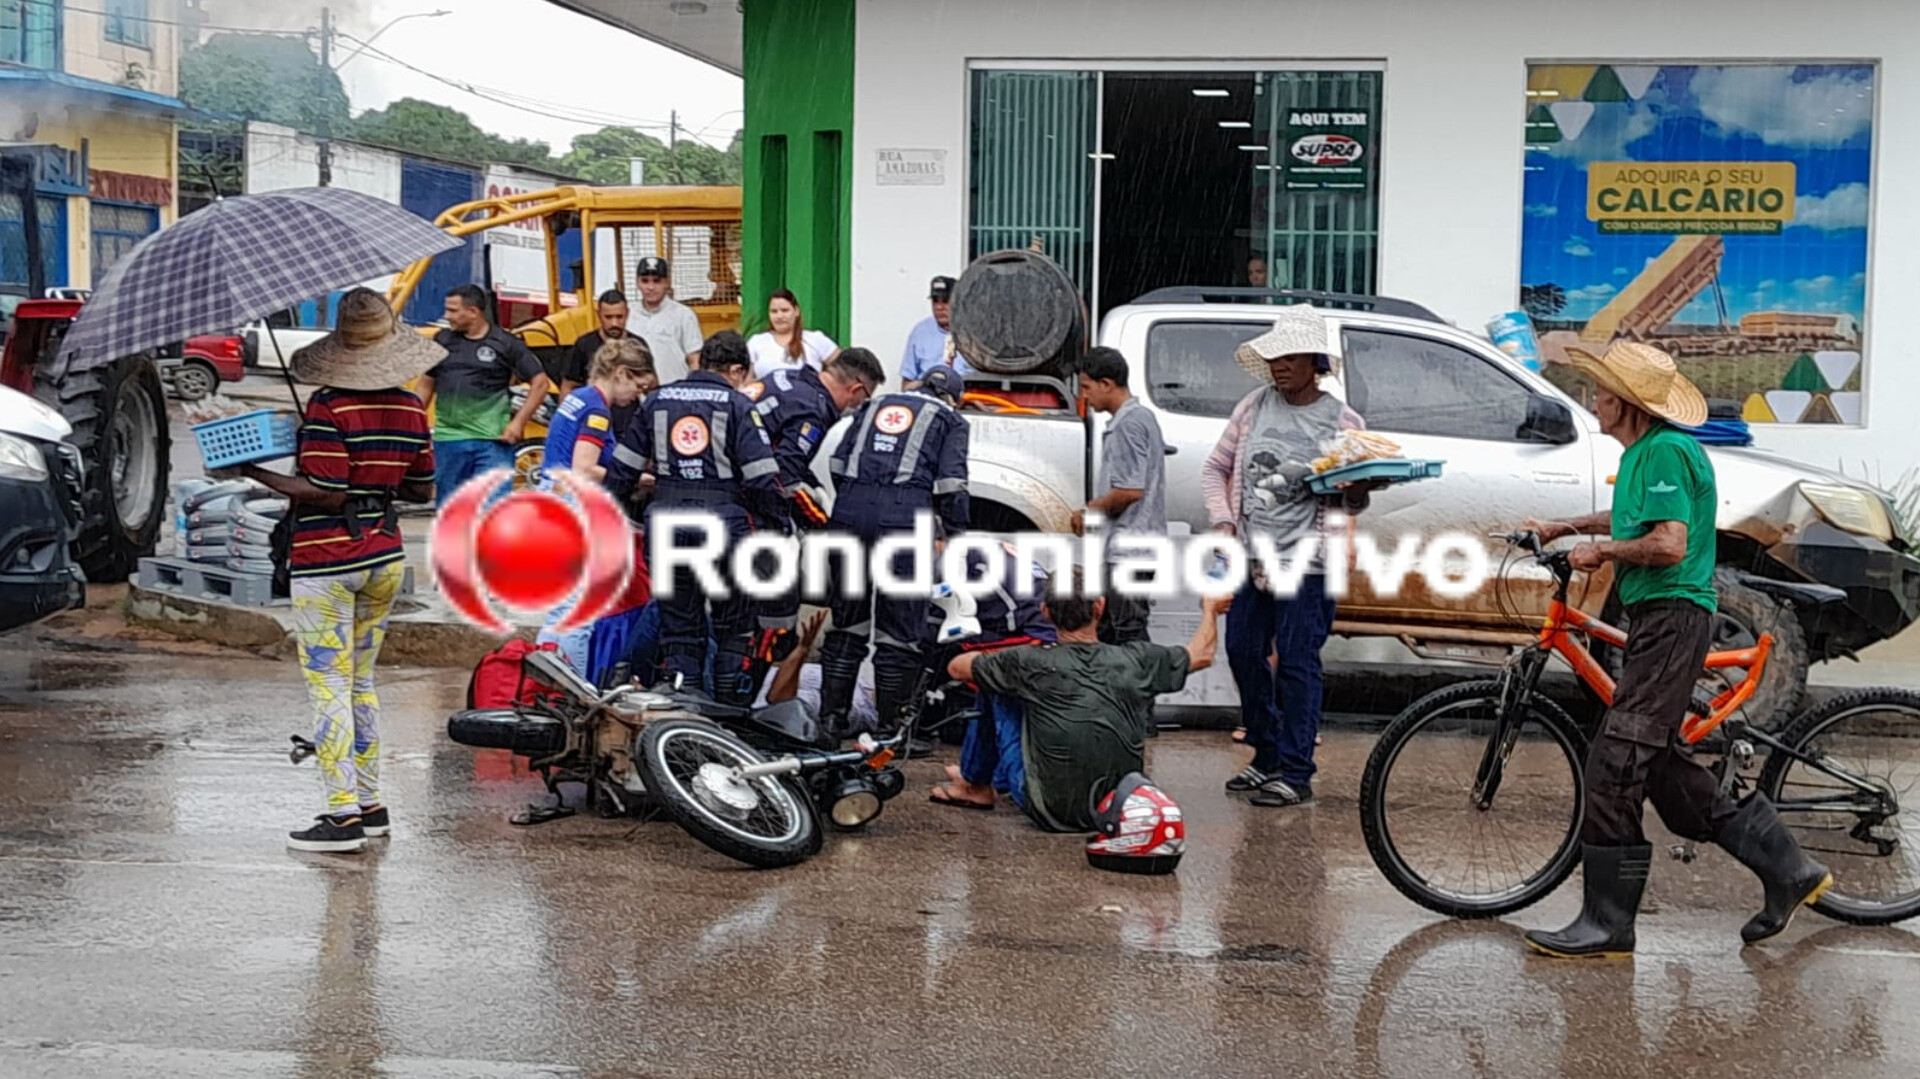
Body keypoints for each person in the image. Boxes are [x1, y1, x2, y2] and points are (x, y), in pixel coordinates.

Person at [1520, 342, 1831, 958]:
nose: (1595, 401)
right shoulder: (1641, 454)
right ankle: (1790, 871)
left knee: (1615, 762)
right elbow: (1635, 517)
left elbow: (1666, 543)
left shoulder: (1666, 450)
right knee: (1667, 775)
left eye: (1604, 393)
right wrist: (1567, 527)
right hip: (1657, 618)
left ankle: (1609, 924)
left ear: (1630, 404)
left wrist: (1601, 553)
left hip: (1674, 617)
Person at [214, 289, 440, 853]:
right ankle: (371, 804)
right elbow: (421, 487)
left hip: (327, 563)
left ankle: (340, 819)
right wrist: (378, 479)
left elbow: (323, 490)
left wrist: (254, 472)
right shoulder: (412, 407)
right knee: (361, 683)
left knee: (328, 687)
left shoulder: (329, 408)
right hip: (384, 556)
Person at [1202, 305, 1386, 809]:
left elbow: (1353, 501)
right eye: (1274, 357)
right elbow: (1215, 468)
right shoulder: (1253, 407)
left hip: (1311, 560)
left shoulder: (1343, 420)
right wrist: (1224, 523)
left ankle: (1296, 770)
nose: (1279, 366)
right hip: (1254, 555)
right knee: (1242, 648)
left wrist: (1358, 487)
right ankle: (1266, 752)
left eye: (1289, 357)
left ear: (1314, 362)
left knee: (1298, 661)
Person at [939, 572, 1230, 830]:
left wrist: (1013, 660)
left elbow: (957, 667)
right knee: (1002, 677)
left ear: (1045, 613)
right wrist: (1210, 610)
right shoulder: (1136, 660)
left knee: (994, 682)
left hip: (1048, 808)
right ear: (1099, 607)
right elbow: (1202, 654)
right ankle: (986, 778)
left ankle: (975, 784)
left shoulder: (1029, 662)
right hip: (1119, 806)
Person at [604, 330, 787, 705]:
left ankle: (681, 707)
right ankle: (728, 716)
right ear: (736, 370)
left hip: (667, 526)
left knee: (680, 629)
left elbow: (622, 471)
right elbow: (763, 478)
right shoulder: (737, 405)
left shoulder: (655, 401)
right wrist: (777, 527)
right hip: (724, 526)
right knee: (734, 626)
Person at [816, 365, 970, 739]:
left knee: (847, 619)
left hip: (850, 509)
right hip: (904, 515)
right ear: (952, 397)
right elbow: (951, 484)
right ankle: (890, 730)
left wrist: (857, 499)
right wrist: (954, 532)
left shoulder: (872, 405)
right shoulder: (950, 419)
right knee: (899, 627)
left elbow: (837, 463)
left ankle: (831, 721)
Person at [743, 347, 886, 652]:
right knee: (779, 599)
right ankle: (759, 677)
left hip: (718, 495)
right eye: (862, 400)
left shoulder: (789, 378)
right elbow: (784, 477)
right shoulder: (813, 409)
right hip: (748, 511)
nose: (856, 407)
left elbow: (784, 457)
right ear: (856, 389)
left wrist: (815, 486)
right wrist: (825, 526)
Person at [534, 337, 657, 673]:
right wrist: (635, 480)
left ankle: (546, 679)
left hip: (552, 499)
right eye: (638, 386)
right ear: (621, 373)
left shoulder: (576, 399)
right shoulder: (597, 411)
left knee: (561, 608)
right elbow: (584, 468)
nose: (637, 396)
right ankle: (575, 688)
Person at [926, 537, 1058, 811]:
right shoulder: (979, 546)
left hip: (1037, 635)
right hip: (1048, 627)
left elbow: (932, 628)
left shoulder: (952, 562)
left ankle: (979, 782)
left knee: (989, 677)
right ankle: (975, 776)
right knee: (988, 674)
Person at [415, 284, 550, 507]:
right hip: (449, 441)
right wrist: (414, 425)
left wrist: (517, 423)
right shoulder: (442, 340)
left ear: (473, 311)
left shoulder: (506, 343)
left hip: (493, 443)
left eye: (453, 311)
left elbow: (540, 383)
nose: (446, 316)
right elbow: (426, 385)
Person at [1072, 346, 1167, 647]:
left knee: (1128, 633)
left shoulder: (1129, 423)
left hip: (1130, 548)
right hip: (1134, 545)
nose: (1085, 396)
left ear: (1107, 384)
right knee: (1113, 631)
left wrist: (1091, 511)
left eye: (1087, 387)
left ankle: (1139, 693)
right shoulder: (1140, 419)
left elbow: (1130, 491)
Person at [756, 610, 881, 733]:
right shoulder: (859, 710)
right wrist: (801, 651)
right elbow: (782, 704)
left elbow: (779, 701)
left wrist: (800, 652)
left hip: (854, 677)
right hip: (863, 692)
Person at [558, 290, 641, 433]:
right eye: (608, 317)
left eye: (619, 317)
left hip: (630, 427)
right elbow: (568, 386)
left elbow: (650, 385)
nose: (614, 323)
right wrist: (567, 421)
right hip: (592, 424)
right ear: (599, 315)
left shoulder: (638, 346)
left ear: (627, 314)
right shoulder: (584, 345)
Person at [630, 257, 704, 384]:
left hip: (675, 393)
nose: (651, 287)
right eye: (645, 281)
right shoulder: (629, 313)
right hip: (635, 395)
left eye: (657, 281)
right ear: (637, 282)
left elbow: (694, 360)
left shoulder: (683, 315)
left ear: (667, 282)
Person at [748, 288, 838, 379]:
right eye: (774, 311)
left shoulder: (815, 339)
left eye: (785, 310)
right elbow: (746, 381)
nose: (779, 316)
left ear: (796, 311)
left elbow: (844, 369)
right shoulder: (756, 342)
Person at [901, 275, 970, 389]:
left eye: (945, 301)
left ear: (958, 301)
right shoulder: (920, 332)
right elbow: (906, 385)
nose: (939, 307)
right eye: (935, 301)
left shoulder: (974, 333)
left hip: (967, 399)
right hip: (929, 398)